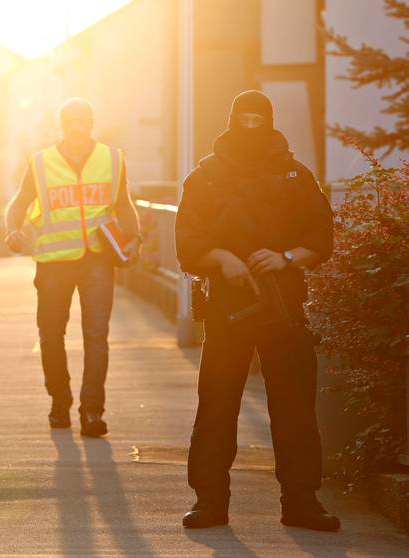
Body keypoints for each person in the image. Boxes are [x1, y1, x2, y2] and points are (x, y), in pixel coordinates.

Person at [175, 90, 340, 531]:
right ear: (231, 120)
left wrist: (286, 257)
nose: (251, 128)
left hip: (283, 304)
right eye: (243, 119)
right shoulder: (205, 177)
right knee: (216, 404)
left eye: (258, 120)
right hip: (227, 306)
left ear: (269, 121)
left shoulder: (294, 174)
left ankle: (302, 502)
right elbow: (187, 243)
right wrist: (221, 258)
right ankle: (210, 502)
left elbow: (322, 235)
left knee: (295, 408)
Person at [4, 97, 142, 437]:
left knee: (96, 336)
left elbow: (123, 204)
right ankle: (59, 403)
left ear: (92, 122)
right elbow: (19, 203)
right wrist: (12, 230)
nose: (77, 127)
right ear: (61, 124)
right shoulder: (40, 163)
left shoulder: (111, 159)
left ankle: (92, 412)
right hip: (53, 262)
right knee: (51, 335)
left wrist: (135, 237)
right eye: (71, 121)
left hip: (97, 259)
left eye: (83, 120)